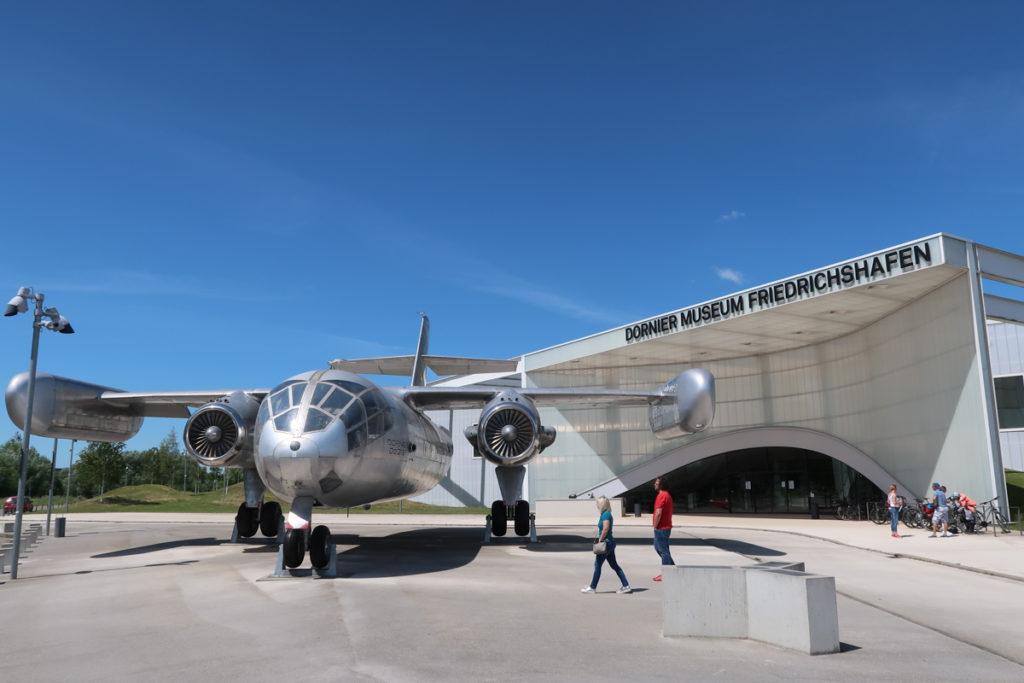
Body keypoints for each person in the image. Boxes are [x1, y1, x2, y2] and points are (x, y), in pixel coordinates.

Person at [581, 496, 631, 594]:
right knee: (614, 565)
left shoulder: (606, 514)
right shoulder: (605, 514)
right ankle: (626, 585)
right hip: (610, 543)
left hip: (606, 543)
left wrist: (600, 540)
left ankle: (592, 587)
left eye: (597, 503)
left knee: (598, 565)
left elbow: (605, 529)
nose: (596, 505)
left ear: (602, 504)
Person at [651, 477, 674, 581]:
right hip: (666, 527)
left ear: (661, 485)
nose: (654, 485)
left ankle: (666, 573)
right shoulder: (668, 495)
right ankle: (672, 568)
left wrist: (655, 526)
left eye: (656, 483)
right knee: (659, 548)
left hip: (661, 527)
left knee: (663, 550)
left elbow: (659, 512)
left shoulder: (661, 496)